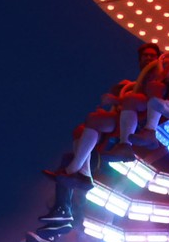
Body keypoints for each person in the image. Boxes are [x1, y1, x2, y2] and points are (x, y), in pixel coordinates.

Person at [51, 42, 163, 191]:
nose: (148, 58)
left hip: (142, 118)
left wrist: (116, 99)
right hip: (124, 116)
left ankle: (72, 169)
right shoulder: (133, 84)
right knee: (87, 124)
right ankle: (83, 174)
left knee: (130, 101)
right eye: (145, 56)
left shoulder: (159, 78)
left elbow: (145, 100)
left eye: (152, 56)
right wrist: (115, 98)